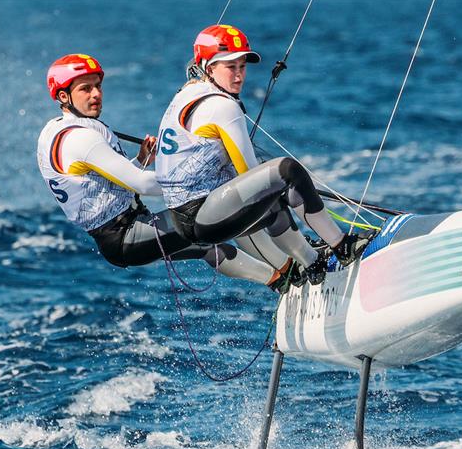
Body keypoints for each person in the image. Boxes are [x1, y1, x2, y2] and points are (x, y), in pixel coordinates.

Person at [36, 54, 288, 291]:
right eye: (85, 89)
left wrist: (141, 160)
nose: (96, 94)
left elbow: (100, 188)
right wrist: (207, 182)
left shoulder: (60, 131)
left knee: (209, 245)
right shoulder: (80, 139)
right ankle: (290, 273)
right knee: (222, 215)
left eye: (98, 86)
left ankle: (278, 280)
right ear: (63, 97)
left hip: (125, 231)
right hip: (125, 237)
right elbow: (144, 185)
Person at [155, 24, 370, 285]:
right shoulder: (222, 106)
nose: (238, 76)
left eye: (242, 66)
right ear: (209, 67)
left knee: (269, 185)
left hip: (187, 217)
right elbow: (248, 172)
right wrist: (286, 187)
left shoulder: (187, 92)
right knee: (285, 171)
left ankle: (310, 266)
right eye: (230, 67)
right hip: (203, 215)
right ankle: (342, 246)